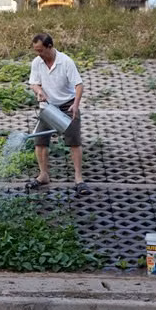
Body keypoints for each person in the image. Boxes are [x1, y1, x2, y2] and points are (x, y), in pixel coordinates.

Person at [26, 33, 91, 195]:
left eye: (40, 50)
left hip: (67, 106)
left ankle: (78, 178)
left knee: (74, 142)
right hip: (47, 106)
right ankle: (43, 175)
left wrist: (76, 105)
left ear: (50, 47)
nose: (38, 54)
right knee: (40, 141)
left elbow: (79, 85)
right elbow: (33, 83)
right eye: (35, 50)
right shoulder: (37, 62)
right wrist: (39, 90)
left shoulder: (66, 62)